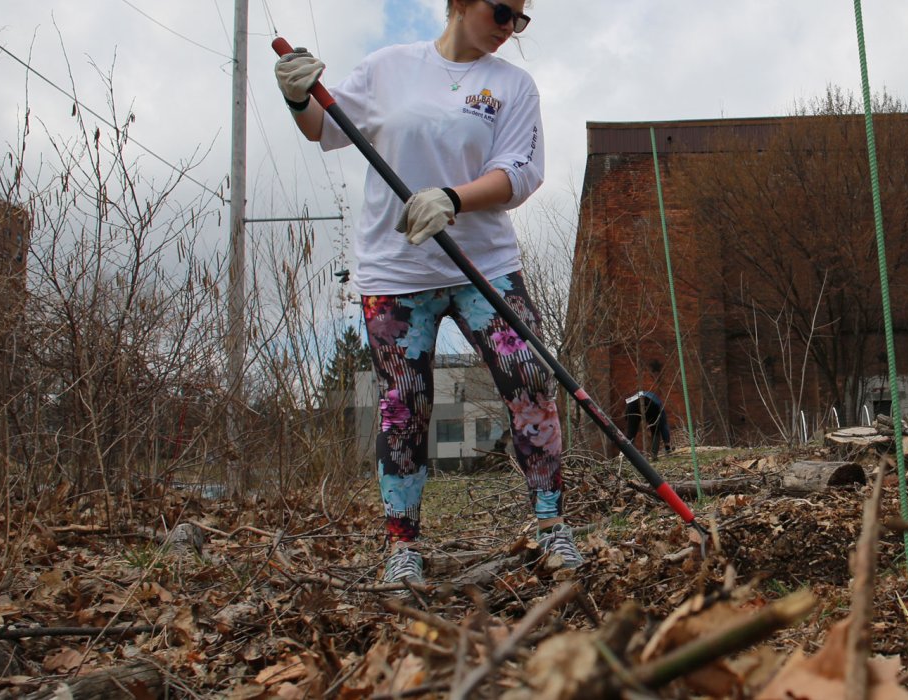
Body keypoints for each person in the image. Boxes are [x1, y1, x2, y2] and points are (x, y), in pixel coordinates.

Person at [275, 0, 581, 584]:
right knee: (401, 408)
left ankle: (550, 526)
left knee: (532, 382)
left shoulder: (513, 85)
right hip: (394, 271)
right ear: (459, 2)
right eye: (500, 11)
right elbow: (324, 127)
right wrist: (297, 96)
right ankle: (402, 546)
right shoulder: (389, 67)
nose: (508, 28)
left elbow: (521, 172)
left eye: (519, 20)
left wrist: (452, 197)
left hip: (482, 266)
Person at [623, 390, 670, 458]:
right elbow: (663, 425)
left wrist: (627, 417)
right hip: (650, 403)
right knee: (655, 430)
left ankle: (625, 455)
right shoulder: (659, 406)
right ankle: (654, 455)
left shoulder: (635, 399)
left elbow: (627, 414)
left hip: (632, 402)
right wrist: (667, 445)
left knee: (631, 434)